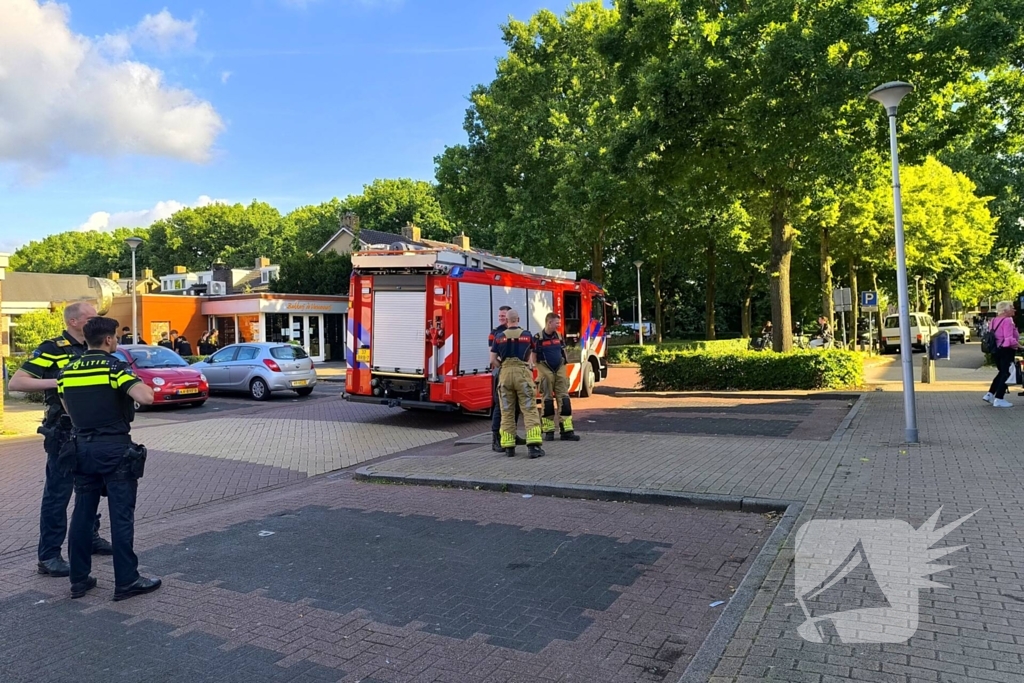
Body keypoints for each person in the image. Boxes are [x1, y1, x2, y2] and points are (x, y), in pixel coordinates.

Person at [57, 316, 162, 601]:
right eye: (115, 337)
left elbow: (66, 405)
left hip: (80, 449)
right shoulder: (115, 367)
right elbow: (147, 397)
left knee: (82, 513)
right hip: (114, 449)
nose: (116, 341)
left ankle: (79, 580)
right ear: (107, 340)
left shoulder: (68, 371)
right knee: (121, 515)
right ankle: (127, 581)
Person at [7, 302, 112, 577]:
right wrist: (62, 381)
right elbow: (16, 382)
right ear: (74, 322)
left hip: (91, 430)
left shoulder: (95, 346)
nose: (96, 321)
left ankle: (90, 538)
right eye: (91, 318)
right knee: (58, 495)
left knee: (90, 488)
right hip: (63, 433)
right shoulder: (54, 348)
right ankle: (49, 556)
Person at [490, 309, 544, 459]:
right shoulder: (527, 335)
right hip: (522, 374)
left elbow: (493, 359)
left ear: (507, 321)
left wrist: (504, 366)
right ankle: (533, 447)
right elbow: (531, 355)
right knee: (529, 410)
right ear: (518, 319)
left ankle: (509, 448)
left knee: (506, 412)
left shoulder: (499, 336)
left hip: (505, 375)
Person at [534, 313, 580, 442]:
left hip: (559, 368)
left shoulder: (559, 336)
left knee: (564, 400)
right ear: (549, 323)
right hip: (545, 369)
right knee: (547, 401)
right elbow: (533, 355)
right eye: (556, 323)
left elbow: (563, 351)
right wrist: (535, 367)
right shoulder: (538, 338)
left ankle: (567, 430)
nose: (559, 325)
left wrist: (566, 363)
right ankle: (549, 431)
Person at [489, 306, 524, 452]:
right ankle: (496, 439)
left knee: (515, 406)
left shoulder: (519, 330)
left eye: (504, 316)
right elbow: (492, 356)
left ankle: (511, 434)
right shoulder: (495, 333)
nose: (501, 318)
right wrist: (503, 366)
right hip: (501, 373)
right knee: (499, 406)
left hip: (515, 373)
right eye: (500, 316)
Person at [984, 301, 1020, 408]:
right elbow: (1009, 339)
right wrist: (1020, 346)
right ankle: (999, 398)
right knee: (1007, 373)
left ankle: (990, 394)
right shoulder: (1008, 320)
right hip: (1006, 350)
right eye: (1012, 308)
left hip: (996, 350)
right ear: (1005, 310)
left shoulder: (994, 320)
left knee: (1002, 372)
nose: (1014, 310)